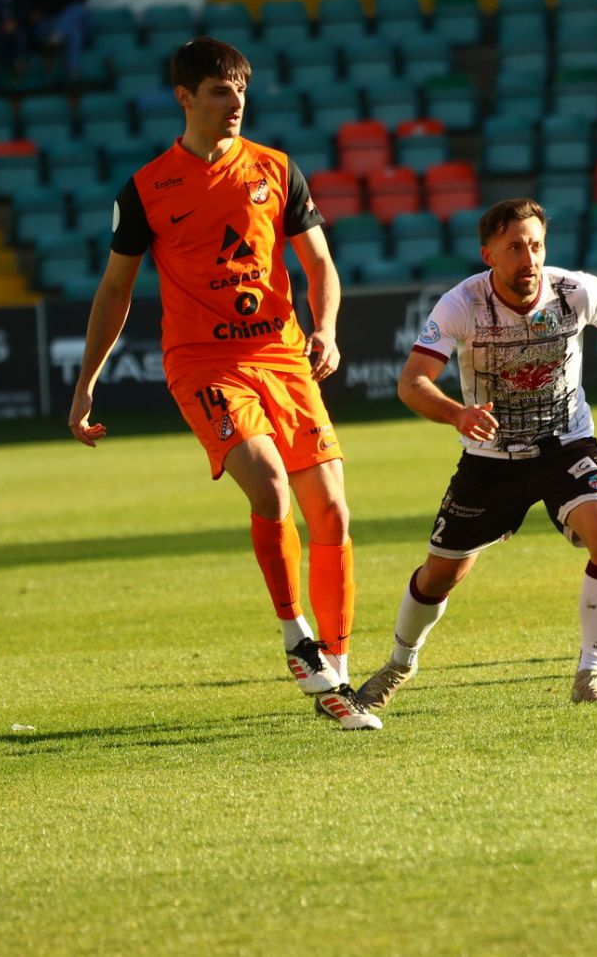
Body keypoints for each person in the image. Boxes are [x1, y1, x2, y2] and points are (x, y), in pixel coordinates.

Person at [67, 38, 380, 732]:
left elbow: (320, 264)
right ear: (185, 97)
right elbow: (115, 289)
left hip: (284, 357)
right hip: (204, 362)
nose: (234, 102)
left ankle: (339, 670)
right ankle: (295, 635)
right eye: (219, 90)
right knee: (269, 484)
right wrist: (87, 381)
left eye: (240, 89)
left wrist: (325, 329)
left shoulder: (276, 169)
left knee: (331, 509)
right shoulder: (147, 188)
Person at [354, 198, 597, 713]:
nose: (529, 258)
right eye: (514, 247)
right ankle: (400, 662)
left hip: (567, 445)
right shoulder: (461, 304)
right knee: (440, 575)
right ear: (488, 254)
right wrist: (457, 415)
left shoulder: (575, 290)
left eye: (535, 245)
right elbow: (412, 382)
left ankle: (591, 674)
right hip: (490, 458)